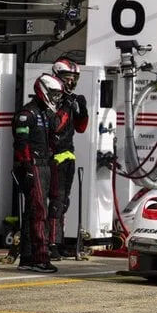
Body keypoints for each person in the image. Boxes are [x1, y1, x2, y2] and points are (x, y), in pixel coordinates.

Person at [13, 74, 63, 273]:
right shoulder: (28, 113)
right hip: (32, 166)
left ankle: (27, 257)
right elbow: (20, 143)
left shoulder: (44, 113)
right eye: (53, 93)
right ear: (42, 90)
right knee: (39, 211)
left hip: (44, 165)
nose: (56, 98)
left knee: (33, 212)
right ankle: (40, 258)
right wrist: (26, 168)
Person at [48, 58, 88, 260]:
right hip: (53, 157)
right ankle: (51, 244)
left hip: (68, 155)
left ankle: (60, 241)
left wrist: (82, 110)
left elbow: (81, 128)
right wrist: (65, 106)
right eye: (67, 78)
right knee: (56, 201)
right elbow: (55, 127)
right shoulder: (51, 98)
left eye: (74, 79)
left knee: (64, 202)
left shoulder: (72, 99)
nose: (71, 83)